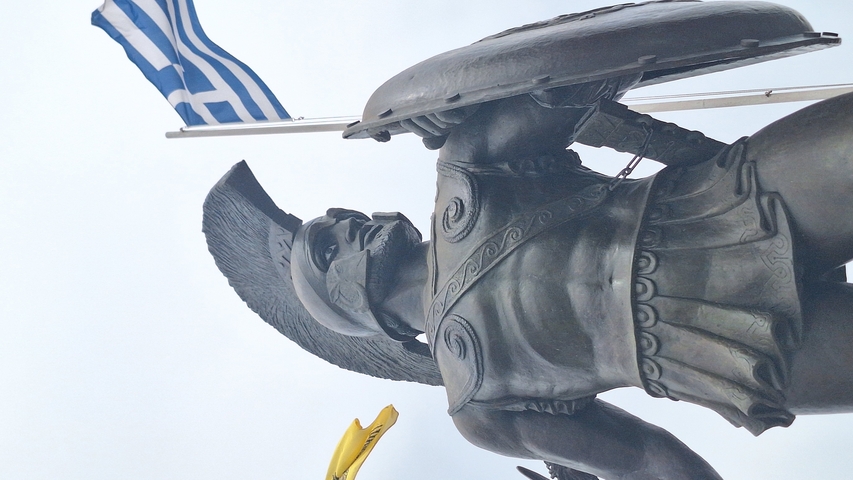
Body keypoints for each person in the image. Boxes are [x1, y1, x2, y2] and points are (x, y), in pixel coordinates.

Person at [283, 89, 853, 480]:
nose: (345, 222)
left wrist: (462, 92)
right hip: (728, 355)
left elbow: (571, 82)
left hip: (722, 202)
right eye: (327, 247)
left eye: (338, 215)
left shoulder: (469, 165)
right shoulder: (480, 407)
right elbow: (645, 460)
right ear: (347, 305)